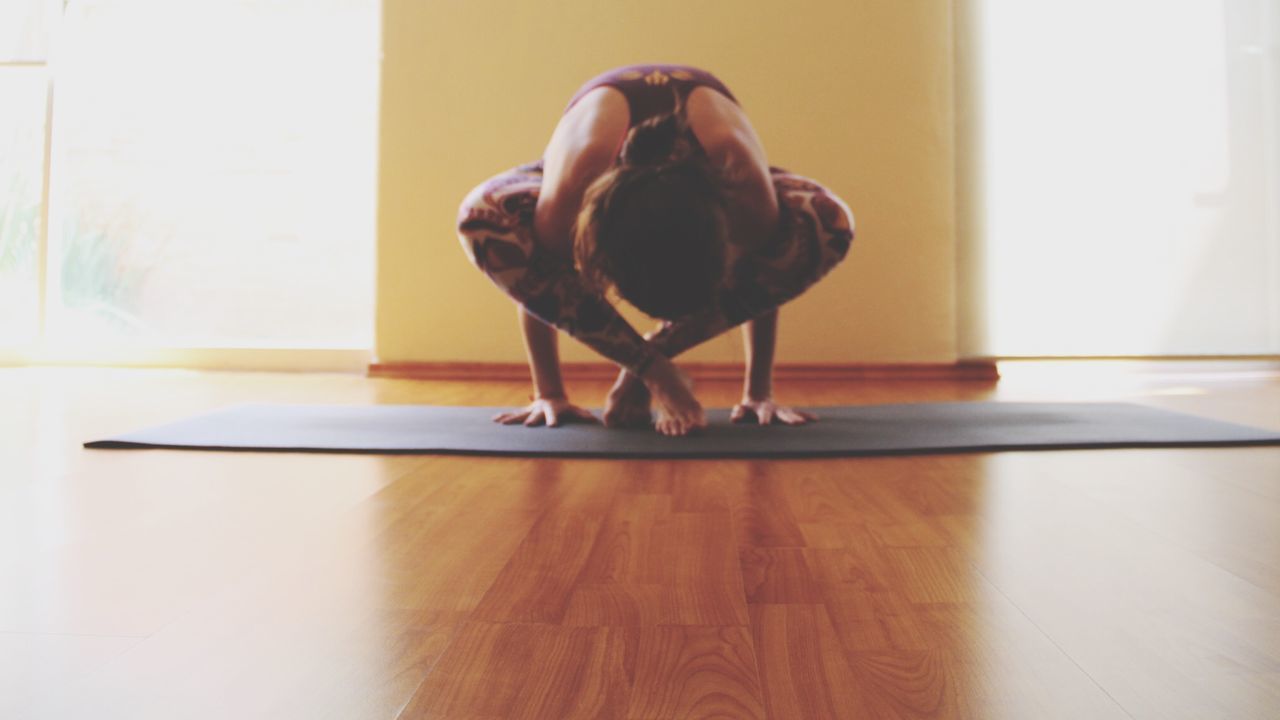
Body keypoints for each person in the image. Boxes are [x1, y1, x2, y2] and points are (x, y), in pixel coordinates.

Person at [457, 64, 854, 436]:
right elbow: (536, 279)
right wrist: (552, 393)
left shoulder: (737, 180)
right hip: (595, 167)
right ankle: (645, 363)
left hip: (713, 173)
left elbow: (770, 272)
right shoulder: (576, 191)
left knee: (824, 228)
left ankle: (650, 361)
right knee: (487, 224)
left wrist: (756, 393)